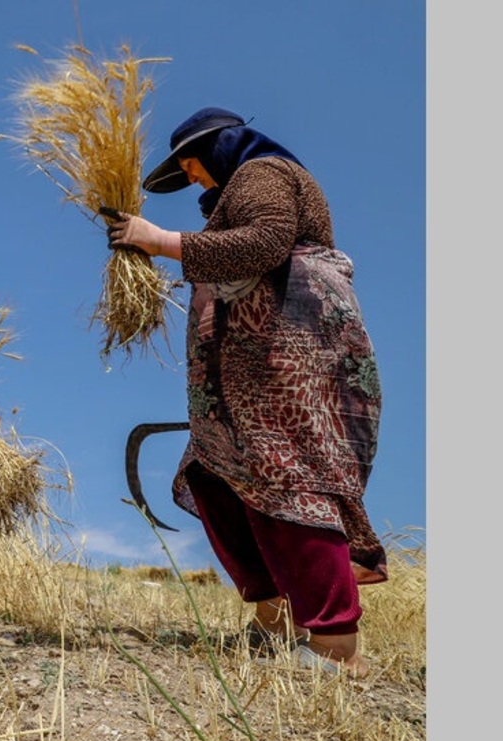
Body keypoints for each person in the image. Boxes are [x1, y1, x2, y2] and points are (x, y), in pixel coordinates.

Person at [106, 106, 388, 678]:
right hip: (243, 370)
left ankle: (337, 644)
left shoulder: (261, 172)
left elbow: (265, 244)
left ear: (217, 147)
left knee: (290, 478)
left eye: (191, 164)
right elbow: (232, 255)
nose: (190, 178)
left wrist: (158, 240)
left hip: (288, 361)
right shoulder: (231, 196)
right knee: (215, 475)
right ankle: (275, 613)